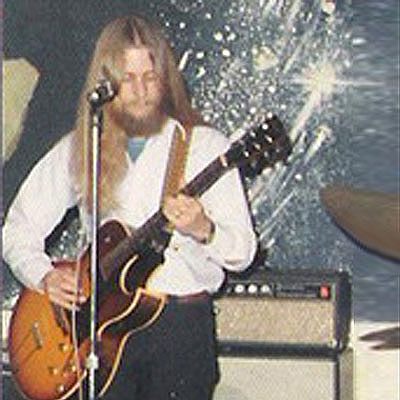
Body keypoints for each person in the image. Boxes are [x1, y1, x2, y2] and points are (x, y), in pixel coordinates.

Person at [3, 14, 257, 400]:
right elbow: (18, 229)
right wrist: (44, 276)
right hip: (98, 335)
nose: (140, 91)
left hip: (179, 331)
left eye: (150, 77)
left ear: (166, 79)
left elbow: (243, 253)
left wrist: (204, 229)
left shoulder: (206, 147)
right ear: (105, 83)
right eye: (127, 78)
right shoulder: (82, 146)